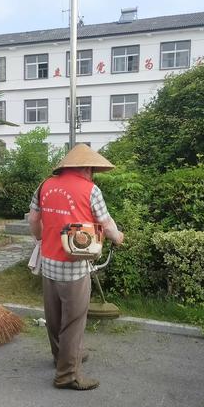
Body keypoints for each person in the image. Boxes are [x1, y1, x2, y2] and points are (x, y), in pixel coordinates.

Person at [28, 143, 124, 390]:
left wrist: (41, 239)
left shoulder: (44, 185)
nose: (92, 174)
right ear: (86, 168)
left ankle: (61, 358)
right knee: (73, 321)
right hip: (75, 267)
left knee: (54, 317)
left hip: (48, 263)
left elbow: (34, 219)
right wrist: (118, 237)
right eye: (91, 169)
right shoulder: (91, 190)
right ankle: (67, 375)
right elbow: (106, 222)